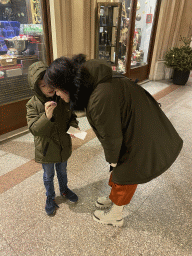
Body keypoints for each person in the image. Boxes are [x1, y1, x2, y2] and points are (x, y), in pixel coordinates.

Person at [44, 54, 183, 226]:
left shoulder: (99, 97)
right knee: (118, 171)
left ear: (67, 86)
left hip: (141, 134)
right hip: (136, 124)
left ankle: (116, 215)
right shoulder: (95, 80)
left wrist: (113, 160)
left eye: (57, 90)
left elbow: (111, 136)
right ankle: (113, 199)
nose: (56, 95)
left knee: (125, 174)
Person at [26, 61, 79, 216]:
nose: (48, 88)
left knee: (62, 171)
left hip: (63, 145)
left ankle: (64, 190)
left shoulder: (62, 98)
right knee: (48, 176)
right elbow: (34, 129)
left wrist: (75, 127)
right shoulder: (32, 105)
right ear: (36, 87)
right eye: (42, 85)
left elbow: (72, 116)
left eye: (49, 83)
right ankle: (50, 197)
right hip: (46, 149)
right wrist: (46, 116)